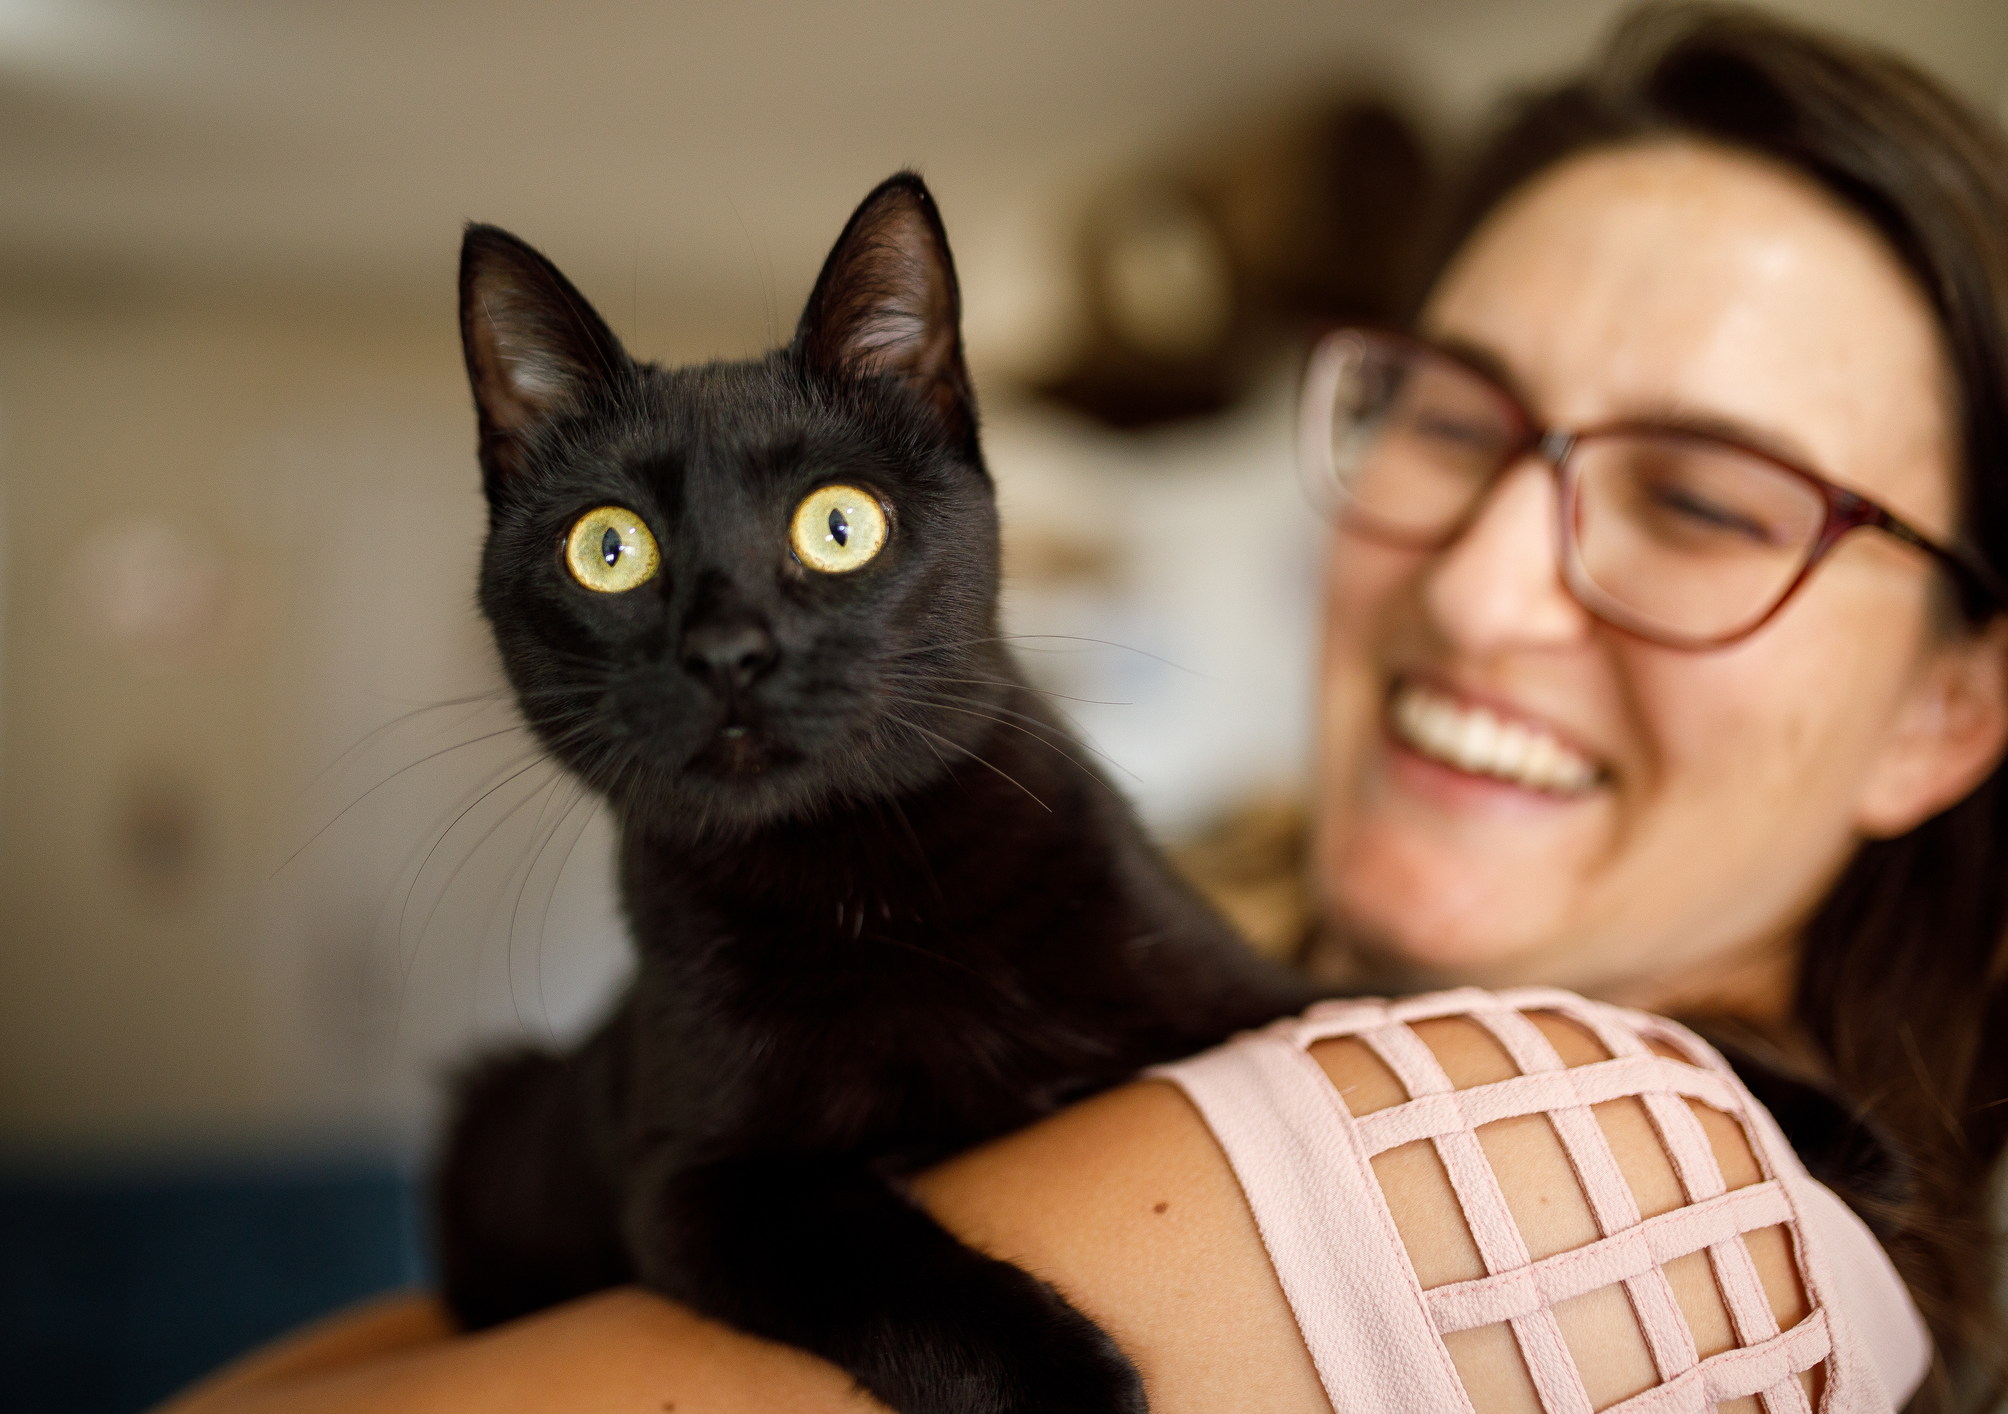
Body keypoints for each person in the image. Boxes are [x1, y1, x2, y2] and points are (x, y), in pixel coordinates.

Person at [159, 6, 2008, 1410]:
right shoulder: (1271, 967)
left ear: (1947, 705)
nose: (1483, 581)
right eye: (1451, 419)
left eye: (1700, 498)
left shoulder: (1574, 1176)